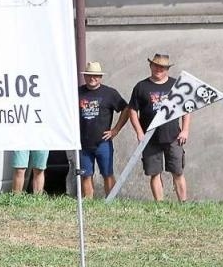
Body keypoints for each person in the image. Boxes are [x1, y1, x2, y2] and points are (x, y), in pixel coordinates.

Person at [128, 53, 190, 202]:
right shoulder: (141, 87)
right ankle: (159, 205)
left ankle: (184, 204)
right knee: (155, 173)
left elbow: (186, 108)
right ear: (150, 66)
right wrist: (139, 132)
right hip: (150, 138)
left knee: (178, 171)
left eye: (162, 67)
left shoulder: (176, 85)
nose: (158, 69)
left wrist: (185, 130)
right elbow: (132, 111)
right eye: (156, 66)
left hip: (173, 136)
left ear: (167, 69)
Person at [75, 61, 130, 199]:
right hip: (83, 143)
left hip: (103, 142)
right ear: (85, 76)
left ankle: (111, 201)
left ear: (100, 77)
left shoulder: (109, 93)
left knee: (107, 173)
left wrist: (115, 130)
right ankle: (89, 202)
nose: (92, 78)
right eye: (89, 75)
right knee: (86, 174)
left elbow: (126, 108)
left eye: (96, 76)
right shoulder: (77, 92)